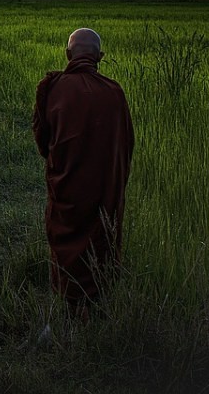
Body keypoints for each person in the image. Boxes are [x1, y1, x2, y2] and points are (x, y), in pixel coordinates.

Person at [33, 28, 134, 313]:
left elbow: (43, 142)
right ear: (100, 57)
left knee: (65, 235)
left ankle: (69, 304)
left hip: (68, 184)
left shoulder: (52, 88)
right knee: (101, 235)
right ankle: (98, 300)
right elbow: (127, 143)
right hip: (105, 186)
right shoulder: (114, 91)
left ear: (68, 54)